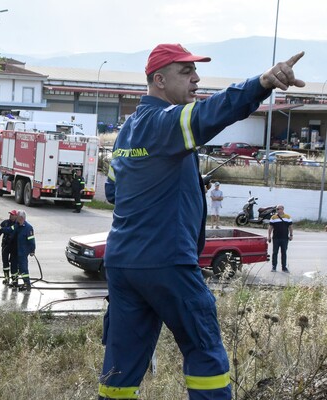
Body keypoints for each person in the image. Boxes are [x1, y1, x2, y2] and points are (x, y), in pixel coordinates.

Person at [100, 43, 304, 400]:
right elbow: (212, 113)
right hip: (167, 261)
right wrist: (263, 82)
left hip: (122, 264)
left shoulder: (128, 131)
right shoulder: (165, 121)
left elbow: (115, 192)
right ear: (159, 81)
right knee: (204, 349)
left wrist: (174, 186)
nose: (196, 78)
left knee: (121, 364)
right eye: (186, 72)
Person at [0, 210, 18, 286]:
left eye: (12, 214)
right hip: (5, 246)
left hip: (14, 247)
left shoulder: (17, 224)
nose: (11, 215)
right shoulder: (5, 223)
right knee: (5, 262)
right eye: (10, 214)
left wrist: (2, 229)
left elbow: (8, 230)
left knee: (14, 263)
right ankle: (6, 278)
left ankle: (14, 280)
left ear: (16, 216)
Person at [13, 210, 36, 291]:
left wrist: (32, 250)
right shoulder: (17, 225)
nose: (16, 219)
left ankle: (27, 284)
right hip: (17, 251)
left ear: (21, 218)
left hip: (23, 252)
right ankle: (19, 283)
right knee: (16, 268)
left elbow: (32, 241)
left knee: (23, 269)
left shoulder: (28, 228)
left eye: (17, 217)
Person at [268, 204, 293, 273]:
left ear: (282, 209)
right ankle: (274, 266)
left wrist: (291, 235)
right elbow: (270, 227)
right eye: (277, 209)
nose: (278, 210)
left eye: (279, 209)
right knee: (275, 252)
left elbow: (290, 227)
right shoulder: (273, 217)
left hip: (284, 238)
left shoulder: (288, 217)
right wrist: (269, 236)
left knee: (284, 253)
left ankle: (284, 267)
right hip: (276, 238)